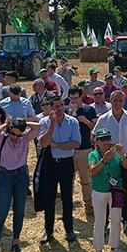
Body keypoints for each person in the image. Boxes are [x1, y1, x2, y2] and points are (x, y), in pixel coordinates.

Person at [0, 117, 40, 252]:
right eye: (13, 134)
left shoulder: (24, 138)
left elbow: (38, 127)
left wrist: (24, 123)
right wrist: (5, 124)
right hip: (4, 175)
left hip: (21, 175)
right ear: (9, 131)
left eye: (19, 134)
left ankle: (16, 242)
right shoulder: (2, 138)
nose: (16, 137)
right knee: (2, 212)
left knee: (19, 210)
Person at [38, 96, 81, 243]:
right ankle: (48, 230)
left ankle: (69, 229)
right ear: (51, 107)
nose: (59, 108)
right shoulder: (44, 122)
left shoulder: (72, 121)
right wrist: (52, 125)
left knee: (67, 197)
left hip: (66, 163)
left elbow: (76, 143)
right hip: (50, 163)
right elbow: (44, 143)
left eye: (61, 105)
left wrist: (57, 145)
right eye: (56, 106)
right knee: (49, 197)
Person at [93, 90, 127, 228]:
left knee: (123, 191)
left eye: (120, 101)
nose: (118, 103)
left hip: (124, 160)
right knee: (107, 191)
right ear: (110, 101)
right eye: (115, 100)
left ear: (124, 102)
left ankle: (125, 221)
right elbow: (94, 137)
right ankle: (105, 223)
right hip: (108, 161)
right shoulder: (103, 119)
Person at [89, 127, 127, 252]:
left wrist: (122, 153)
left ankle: (114, 248)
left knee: (116, 219)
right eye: (103, 139)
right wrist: (104, 160)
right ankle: (98, 251)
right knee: (100, 221)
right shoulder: (93, 155)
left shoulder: (116, 154)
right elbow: (93, 171)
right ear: (97, 142)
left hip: (116, 191)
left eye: (108, 139)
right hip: (99, 191)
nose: (106, 142)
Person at [67, 87, 97, 217]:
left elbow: (95, 127)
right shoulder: (66, 112)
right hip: (69, 150)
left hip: (85, 149)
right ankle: (68, 205)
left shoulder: (89, 109)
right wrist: (69, 115)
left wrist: (84, 120)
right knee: (69, 179)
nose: (74, 101)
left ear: (81, 97)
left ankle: (89, 204)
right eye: (71, 98)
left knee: (86, 179)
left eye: (76, 98)